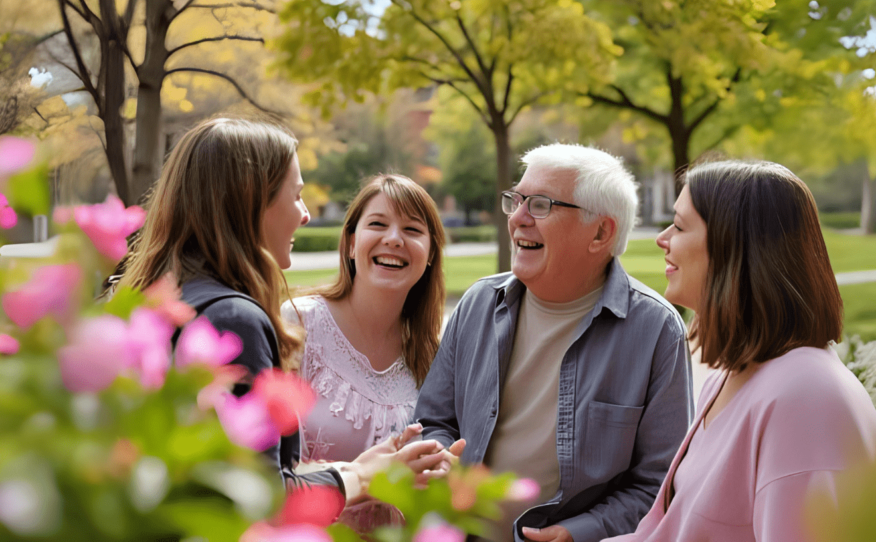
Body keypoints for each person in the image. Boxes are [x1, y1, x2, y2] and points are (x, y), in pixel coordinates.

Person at [118, 116, 447, 504]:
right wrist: (361, 478)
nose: (305, 214)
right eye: (296, 195)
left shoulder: (169, 298)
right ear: (250, 201)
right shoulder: (234, 318)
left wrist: (354, 470)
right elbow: (257, 495)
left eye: (412, 230)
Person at [414, 143, 695, 542]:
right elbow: (433, 420)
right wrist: (439, 458)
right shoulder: (478, 304)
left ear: (600, 232)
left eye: (541, 205)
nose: (519, 219)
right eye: (516, 200)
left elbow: (660, 484)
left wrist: (579, 532)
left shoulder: (656, 330)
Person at [604, 160, 876, 542]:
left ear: (733, 247)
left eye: (680, 225)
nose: (663, 238)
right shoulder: (730, 376)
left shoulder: (804, 398)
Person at [282, 173, 450, 532]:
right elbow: (268, 470)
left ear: (431, 253)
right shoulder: (297, 324)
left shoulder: (436, 352)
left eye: (412, 229)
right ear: (350, 242)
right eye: (378, 224)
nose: (393, 239)